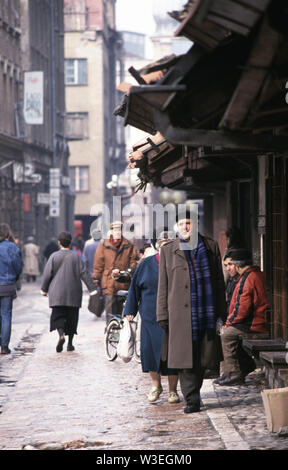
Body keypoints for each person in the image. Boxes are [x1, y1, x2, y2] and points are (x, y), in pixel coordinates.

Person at [157, 210, 227, 413]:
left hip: (205, 311)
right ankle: (192, 399)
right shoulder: (168, 250)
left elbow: (218, 282)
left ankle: (194, 392)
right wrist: (162, 314)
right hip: (179, 314)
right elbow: (163, 285)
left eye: (188, 223)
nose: (185, 228)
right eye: (181, 224)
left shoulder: (210, 246)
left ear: (195, 225)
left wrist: (222, 312)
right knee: (184, 360)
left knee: (203, 358)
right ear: (176, 227)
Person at [124, 231, 179, 404]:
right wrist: (129, 310)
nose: (166, 246)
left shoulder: (179, 263)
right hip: (149, 315)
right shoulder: (146, 264)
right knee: (149, 352)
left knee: (172, 354)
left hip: (172, 316)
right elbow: (134, 289)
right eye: (163, 243)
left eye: (169, 243)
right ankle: (156, 386)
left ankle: (172, 390)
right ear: (157, 246)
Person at [216, 248, 268, 386]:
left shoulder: (248, 278)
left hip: (253, 321)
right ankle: (236, 369)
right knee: (228, 333)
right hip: (251, 320)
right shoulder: (251, 275)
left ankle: (233, 372)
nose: (229, 268)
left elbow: (242, 307)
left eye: (231, 264)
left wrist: (229, 322)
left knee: (226, 335)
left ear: (237, 265)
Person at [40, 231, 97, 353]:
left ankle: (61, 335)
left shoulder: (53, 256)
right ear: (70, 242)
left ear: (59, 242)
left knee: (58, 315)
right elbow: (84, 273)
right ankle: (70, 343)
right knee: (72, 317)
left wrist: (44, 289)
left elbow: (46, 275)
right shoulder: (76, 256)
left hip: (57, 293)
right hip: (73, 293)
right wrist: (92, 289)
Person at [93, 221, 138, 324]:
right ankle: (111, 331)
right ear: (111, 231)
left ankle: (122, 333)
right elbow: (98, 264)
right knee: (110, 313)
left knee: (124, 313)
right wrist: (96, 278)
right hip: (109, 283)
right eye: (115, 230)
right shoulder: (104, 245)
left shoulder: (129, 245)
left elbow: (134, 262)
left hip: (124, 283)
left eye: (119, 230)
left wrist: (127, 272)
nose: (117, 232)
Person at [0, 223, 23, 354]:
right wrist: (15, 278)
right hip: (7, 285)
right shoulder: (12, 247)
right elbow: (18, 267)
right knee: (6, 315)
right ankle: (4, 346)